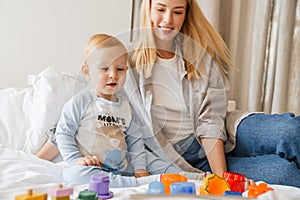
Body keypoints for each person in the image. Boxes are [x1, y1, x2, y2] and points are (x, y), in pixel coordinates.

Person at [121, 0, 300, 188]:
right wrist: (222, 180)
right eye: (160, 9)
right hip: (185, 160)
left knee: (290, 130)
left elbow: (210, 121)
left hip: (222, 132)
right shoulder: (125, 62)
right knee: (284, 174)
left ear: (186, 14)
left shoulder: (199, 57)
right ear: (147, 9)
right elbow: (103, 109)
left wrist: (221, 175)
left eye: (178, 12)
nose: (168, 19)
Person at [38, 33, 208, 187]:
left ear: (126, 70)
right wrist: (76, 160)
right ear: (87, 72)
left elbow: (135, 141)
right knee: (75, 175)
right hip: (92, 165)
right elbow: (63, 134)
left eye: (119, 69)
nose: (113, 74)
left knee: (153, 160)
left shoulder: (126, 106)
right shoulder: (80, 102)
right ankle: (142, 182)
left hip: (122, 162)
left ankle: (190, 177)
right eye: (104, 69)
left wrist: (140, 167)